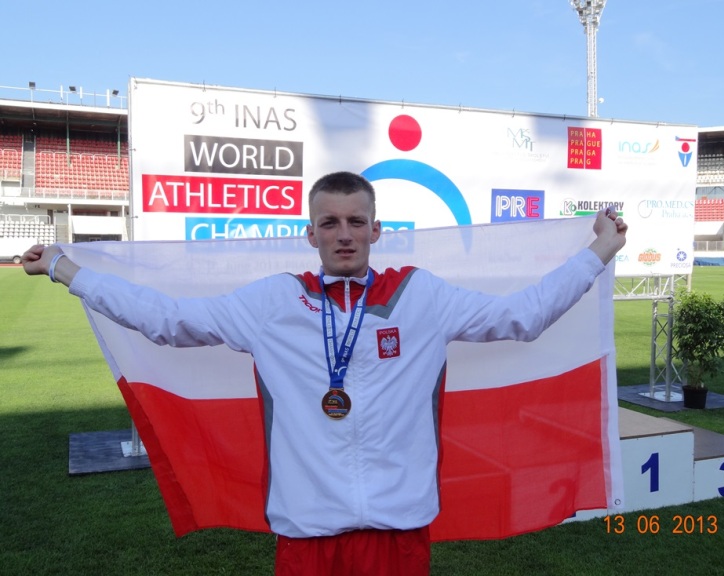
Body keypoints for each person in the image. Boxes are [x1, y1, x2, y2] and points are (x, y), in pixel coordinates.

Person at [23, 171, 627, 576]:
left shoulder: (422, 296)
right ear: (309, 233)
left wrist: (599, 251)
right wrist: (65, 269)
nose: (344, 235)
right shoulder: (272, 303)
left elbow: (524, 316)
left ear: (376, 230)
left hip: (398, 531)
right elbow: (168, 321)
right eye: (330, 223)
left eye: (356, 222)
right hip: (309, 535)